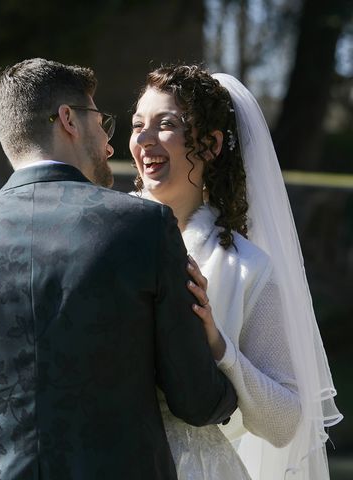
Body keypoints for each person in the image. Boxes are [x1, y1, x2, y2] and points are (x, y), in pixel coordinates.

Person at [0, 57, 237, 479]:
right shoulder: (145, 227)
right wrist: (233, 386)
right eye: (101, 120)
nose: (108, 139)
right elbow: (196, 401)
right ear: (68, 119)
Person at [129, 64, 342, 479]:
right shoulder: (103, 237)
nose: (144, 140)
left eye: (165, 124)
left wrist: (218, 344)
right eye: (138, 125)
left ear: (210, 145)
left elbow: (285, 424)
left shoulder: (247, 269)